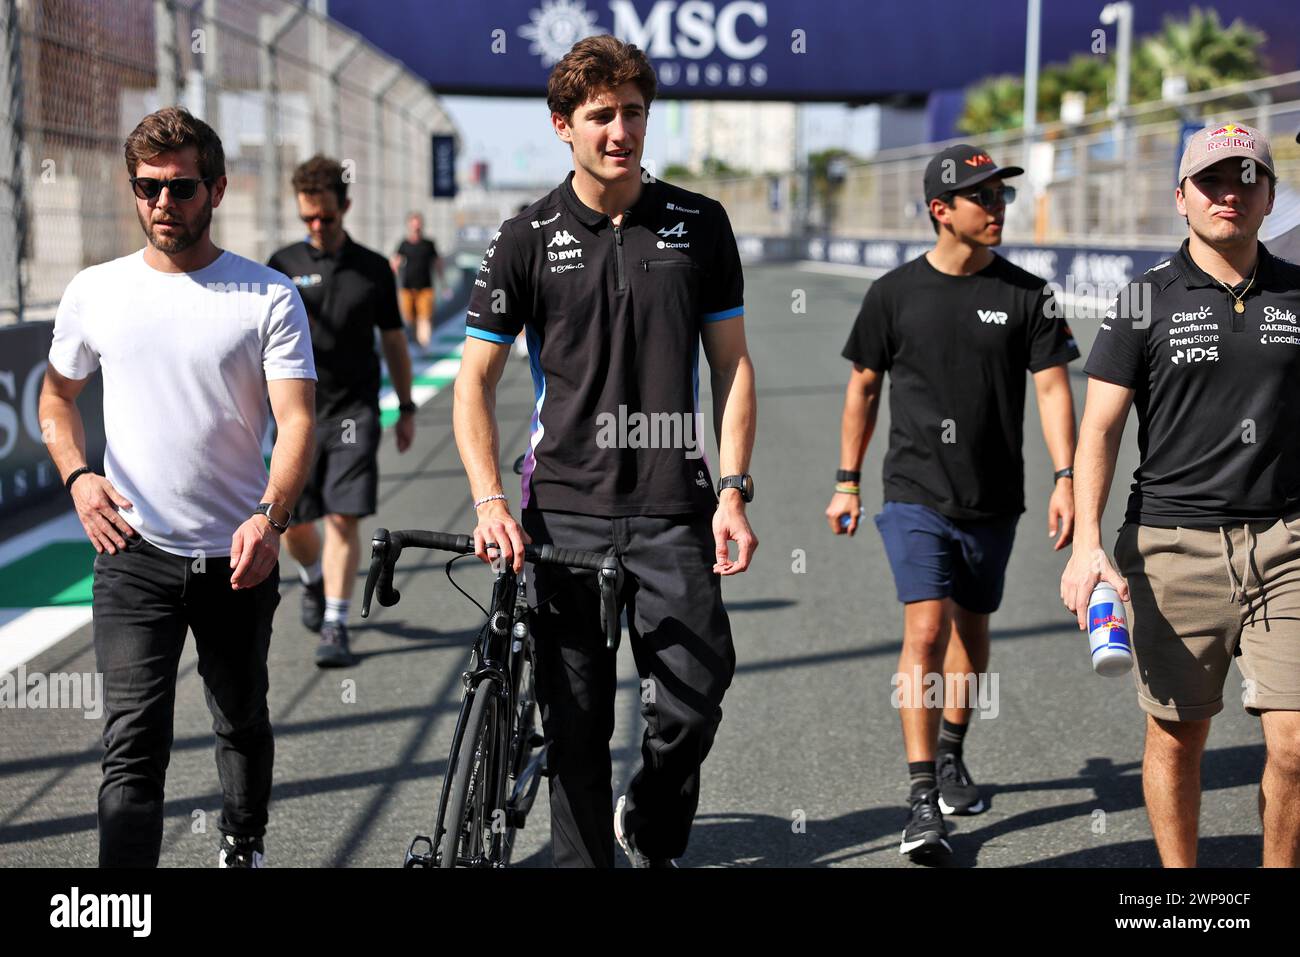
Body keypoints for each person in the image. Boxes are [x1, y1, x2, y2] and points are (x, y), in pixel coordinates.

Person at [453, 35, 757, 868]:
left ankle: (653, 814)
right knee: (576, 728)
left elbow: (731, 367)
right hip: (565, 515)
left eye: (632, 112)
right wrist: (488, 499)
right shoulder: (524, 234)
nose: (620, 130)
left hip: (674, 508)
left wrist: (733, 489)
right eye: (600, 116)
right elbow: (472, 383)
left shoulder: (701, 222)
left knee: (692, 704)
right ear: (563, 126)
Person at [39, 106, 317, 868]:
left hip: (238, 553)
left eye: (181, 187)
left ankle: (242, 839)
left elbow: (296, 424)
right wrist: (78, 476)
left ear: (217, 189)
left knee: (241, 719)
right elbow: (56, 397)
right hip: (132, 553)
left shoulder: (266, 296)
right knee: (131, 745)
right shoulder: (97, 290)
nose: (163, 203)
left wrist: (270, 518)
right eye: (147, 187)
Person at [826, 144, 1079, 861]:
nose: (998, 208)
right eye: (982, 197)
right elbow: (863, 388)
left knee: (971, 632)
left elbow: (1055, 388)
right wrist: (846, 480)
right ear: (941, 210)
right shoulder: (893, 295)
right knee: (926, 631)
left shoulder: (1030, 294)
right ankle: (918, 801)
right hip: (913, 492)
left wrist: (1067, 478)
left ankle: (952, 754)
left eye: (1000, 196)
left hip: (995, 497)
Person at [1061, 122, 1300, 867]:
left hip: (1288, 543)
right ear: (1182, 198)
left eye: (1247, 180)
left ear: (1269, 198)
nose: (1230, 193)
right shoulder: (1143, 300)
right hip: (1171, 547)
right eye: (1212, 181)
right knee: (1177, 735)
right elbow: (1098, 428)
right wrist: (1088, 545)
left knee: (1295, 745)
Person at [268, 156, 417, 667]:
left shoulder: (373, 268)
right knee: (291, 522)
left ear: (345, 208)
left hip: (356, 412)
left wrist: (408, 404)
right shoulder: (281, 266)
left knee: (341, 517)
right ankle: (312, 580)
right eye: (307, 218)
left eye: (326, 218)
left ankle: (336, 622)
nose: (316, 227)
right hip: (295, 417)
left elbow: (394, 341)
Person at [390, 212, 442, 353]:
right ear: (409, 226)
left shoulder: (429, 244)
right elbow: (395, 260)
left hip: (426, 287)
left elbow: (438, 263)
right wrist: (393, 269)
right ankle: (416, 340)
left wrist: (443, 283)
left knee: (424, 317)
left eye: (418, 225)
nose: (416, 228)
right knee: (409, 318)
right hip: (407, 288)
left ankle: (424, 344)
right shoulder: (404, 244)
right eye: (413, 226)